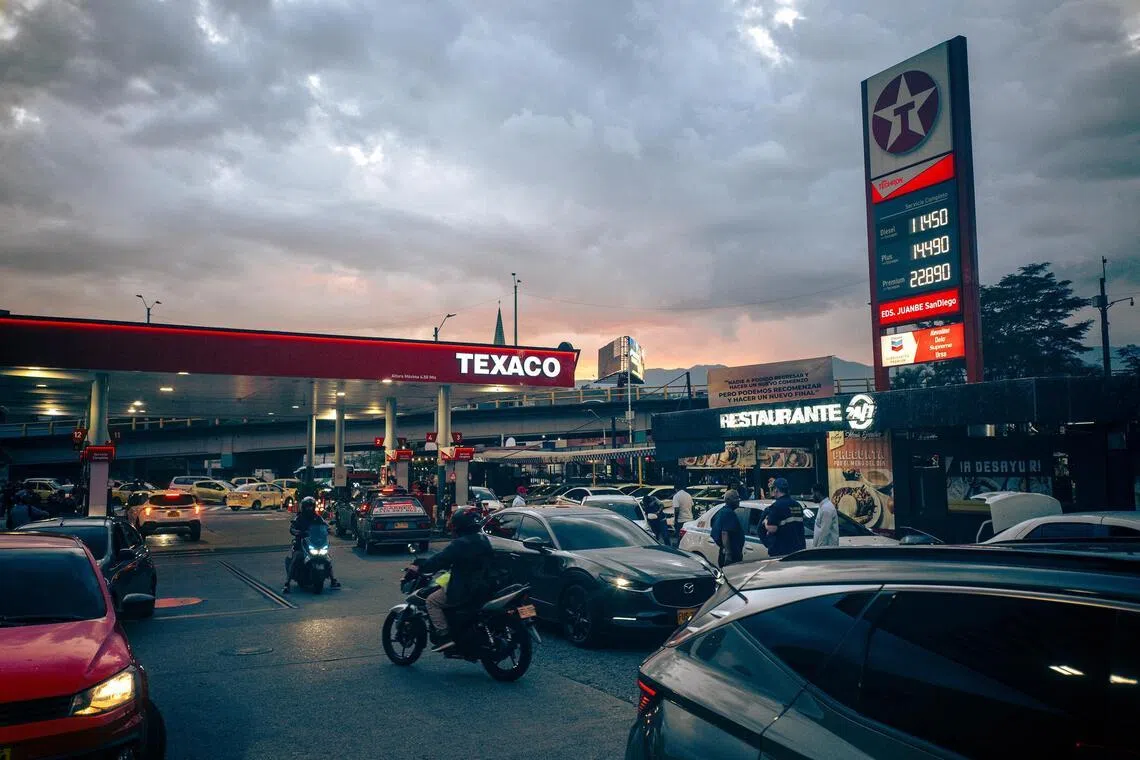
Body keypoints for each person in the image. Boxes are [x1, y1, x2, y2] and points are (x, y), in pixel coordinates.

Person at [409, 506, 494, 652]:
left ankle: (444, 636)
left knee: (432, 601)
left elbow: (439, 560)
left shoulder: (460, 544)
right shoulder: (483, 539)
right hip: (484, 585)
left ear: (459, 526)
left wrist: (420, 567)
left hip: (466, 587)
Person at [283, 497, 341, 593]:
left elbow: (325, 526)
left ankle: (333, 580)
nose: (309, 509)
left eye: (311, 506)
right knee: (296, 558)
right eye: (307, 507)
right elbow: (292, 527)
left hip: (315, 543)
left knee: (327, 558)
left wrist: (329, 530)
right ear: (303, 507)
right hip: (302, 543)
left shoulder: (317, 517)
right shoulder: (299, 517)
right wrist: (296, 531)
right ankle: (287, 583)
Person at [764, 478, 806, 556]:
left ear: (776, 489)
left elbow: (772, 529)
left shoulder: (776, 506)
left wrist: (766, 522)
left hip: (782, 552)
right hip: (798, 550)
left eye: (773, 489)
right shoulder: (797, 505)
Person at [710, 490, 745, 566]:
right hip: (731, 555)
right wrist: (728, 553)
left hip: (727, 552)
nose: (739, 500)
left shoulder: (723, 511)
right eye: (736, 498)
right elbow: (724, 533)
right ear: (729, 500)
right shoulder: (728, 513)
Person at [811, 483, 839, 548]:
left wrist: (819, 550)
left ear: (818, 493)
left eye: (813, 493)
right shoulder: (823, 507)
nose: (811, 496)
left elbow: (824, 533)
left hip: (826, 550)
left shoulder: (826, 509)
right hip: (825, 549)